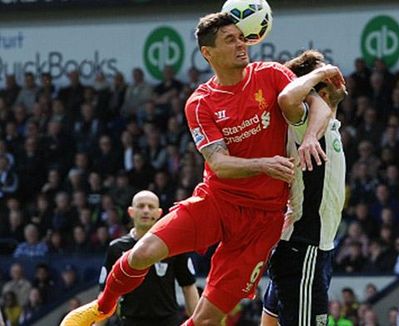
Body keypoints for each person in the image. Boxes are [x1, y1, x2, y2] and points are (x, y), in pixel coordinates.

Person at [61, 11, 342, 326]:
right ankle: (102, 306)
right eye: (230, 40)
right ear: (208, 53)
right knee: (142, 253)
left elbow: (316, 104)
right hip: (216, 202)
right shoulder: (200, 103)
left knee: (206, 320)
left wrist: (309, 140)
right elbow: (219, 164)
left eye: (242, 37)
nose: (242, 45)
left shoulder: (272, 75)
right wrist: (263, 164)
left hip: (262, 223)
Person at [260, 50, 347, 326]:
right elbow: (287, 97)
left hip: (311, 249)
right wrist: (321, 72)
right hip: (305, 248)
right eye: (328, 73)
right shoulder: (304, 121)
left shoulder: (326, 125)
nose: (337, 76)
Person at [97, 190, 199, 326]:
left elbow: (188, 286)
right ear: (131, 212)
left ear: (159, 213)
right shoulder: (116, 248)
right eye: (141, 206)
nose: (146, 211)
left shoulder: (173, 246)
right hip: (130, 322)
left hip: (168, 322)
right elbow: (106, 294)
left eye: (151, 207)